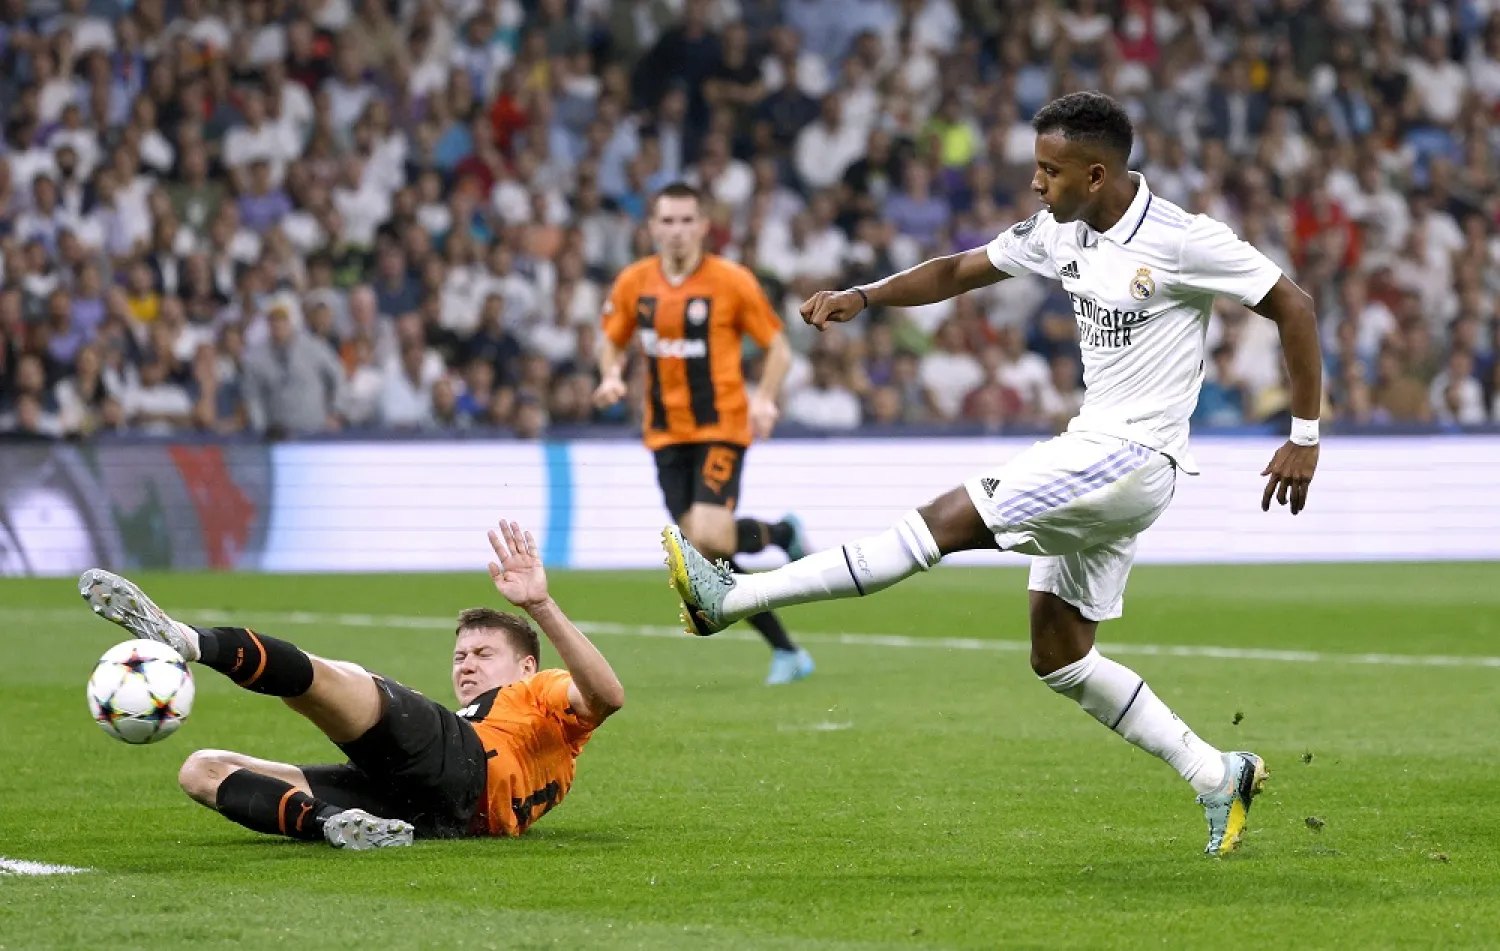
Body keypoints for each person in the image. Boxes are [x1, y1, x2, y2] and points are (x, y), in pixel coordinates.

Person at [662, 92, 1323, 856]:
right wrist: (864, 296)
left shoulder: (1183, 240)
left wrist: (1304, 436)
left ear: (1098, 173)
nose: (1037, 184)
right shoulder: (1059, 231)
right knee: (1061, 655)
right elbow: (959, 270)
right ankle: (1218, 773)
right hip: (1098, 452)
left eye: (1051, 170)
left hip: (1131, 456)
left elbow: (1294, 305)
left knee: (939, 522)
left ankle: (732, 596)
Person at [78, 519, 624, 850]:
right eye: (459, 655)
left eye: (484, 653)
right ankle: (336, 826)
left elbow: (607, 696)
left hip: (467, 765)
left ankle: (188, 641)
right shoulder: (478, 721)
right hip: (427, 816)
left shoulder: (542, 695)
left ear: (528, 667)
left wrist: (540, 606)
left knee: (338, 682)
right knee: (202, 769)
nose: (466, 665)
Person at [595, 181, 816, 686]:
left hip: (721, 428)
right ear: (652, 227)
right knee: (708, 556)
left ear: (702, 225)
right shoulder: (634, 283)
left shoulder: (731, 281)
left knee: (709, 535)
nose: (676, 231)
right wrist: (609, 375)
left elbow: (778, 349)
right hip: (665, 435)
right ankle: (787, 645)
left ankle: (784, 537)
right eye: (666, 221)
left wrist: (763, 399)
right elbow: (610, 341)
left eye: (685, 221)